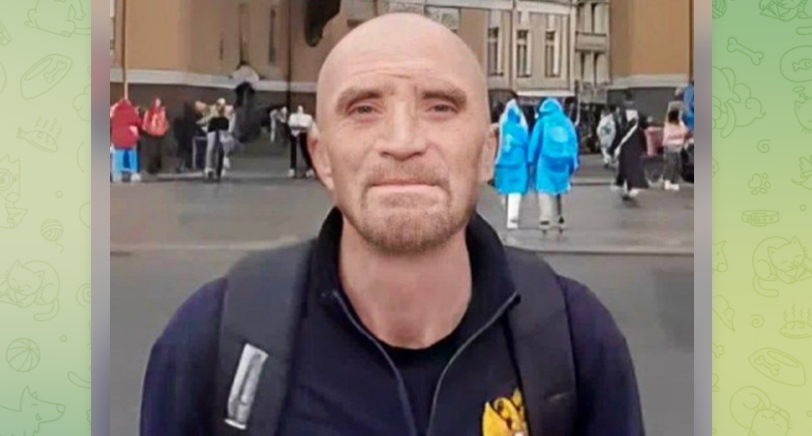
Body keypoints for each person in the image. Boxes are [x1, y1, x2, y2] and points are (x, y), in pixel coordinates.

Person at [140, 13, 643, 436]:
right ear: (321, 157)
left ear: (489, 152)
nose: (403, 142)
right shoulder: (208, 345)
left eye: (440, 107)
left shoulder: (576, 342)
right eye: (364, 109)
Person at [527, 98, 580, 232]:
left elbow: (535, 141)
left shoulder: (542, 122)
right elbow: (573, 143)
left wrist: (530, 159)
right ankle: (561, 215)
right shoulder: (566, 122)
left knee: (544, 188)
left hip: (546, 161)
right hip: (563, 162)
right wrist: (573, 162)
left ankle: (545, 217)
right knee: (561, 188)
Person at [494, 99, 530, 230]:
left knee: (503, 190)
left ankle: (507, 210)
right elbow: (526, 145)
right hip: (518, 163)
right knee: (516, 190)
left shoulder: (501, 128)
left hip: (502, 164)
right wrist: (529, 161)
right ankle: (512, 217)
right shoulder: (521, 129)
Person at [611, 110, 649, 200]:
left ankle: (628, 187)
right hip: (628, 147)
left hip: (632, 146)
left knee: (630, 168)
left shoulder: (632, 121)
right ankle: (627, 187)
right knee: (627, 168)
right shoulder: (626, 120)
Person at [110, 97, 142, 183]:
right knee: (132, 156)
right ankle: (133, 174)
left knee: (119, 156)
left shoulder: (115, 113)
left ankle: (117, 175)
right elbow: (138, 122)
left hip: (118, 138)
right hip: (130, 138)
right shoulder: (131, 112)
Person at [203, 99, 232, 181]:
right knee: (210, 149)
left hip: (222, 134)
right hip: (212, 132)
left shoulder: (226, 118)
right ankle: (209, 168)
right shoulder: (212, 116)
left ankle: (218, 169)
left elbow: (227, 130)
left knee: (221, 151)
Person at [140, 97, 170, 176]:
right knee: (152, 151)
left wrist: (164, 129)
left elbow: (166, 122)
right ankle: (152, 168)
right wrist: (147, 129)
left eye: (159, 103)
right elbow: (145, 123)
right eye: (156, 102)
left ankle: (158, 166)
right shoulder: (149, 112)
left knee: (159, 151)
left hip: (160, 133)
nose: (157, 104)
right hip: (151, 134)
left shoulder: (163, 112)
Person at [661, 108, 689, 191]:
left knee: (678, 165)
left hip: (678, 148)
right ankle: (667, 181)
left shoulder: (681, 124)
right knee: (671, 164)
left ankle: (674, 182)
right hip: (670, 148)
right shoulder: (668, 125)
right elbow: (668, 136)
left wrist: (680, 134)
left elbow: (685, 132)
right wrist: (678, 134)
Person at [287, 105, 314, 178]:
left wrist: (299, 126)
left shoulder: (307, 117)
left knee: (304, 149)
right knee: (295, 150)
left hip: (303, 133)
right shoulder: (293, 116)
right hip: (295, 133)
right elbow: (291, 124)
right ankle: (294, 168)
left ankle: (308, 168)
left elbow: (307, 125)